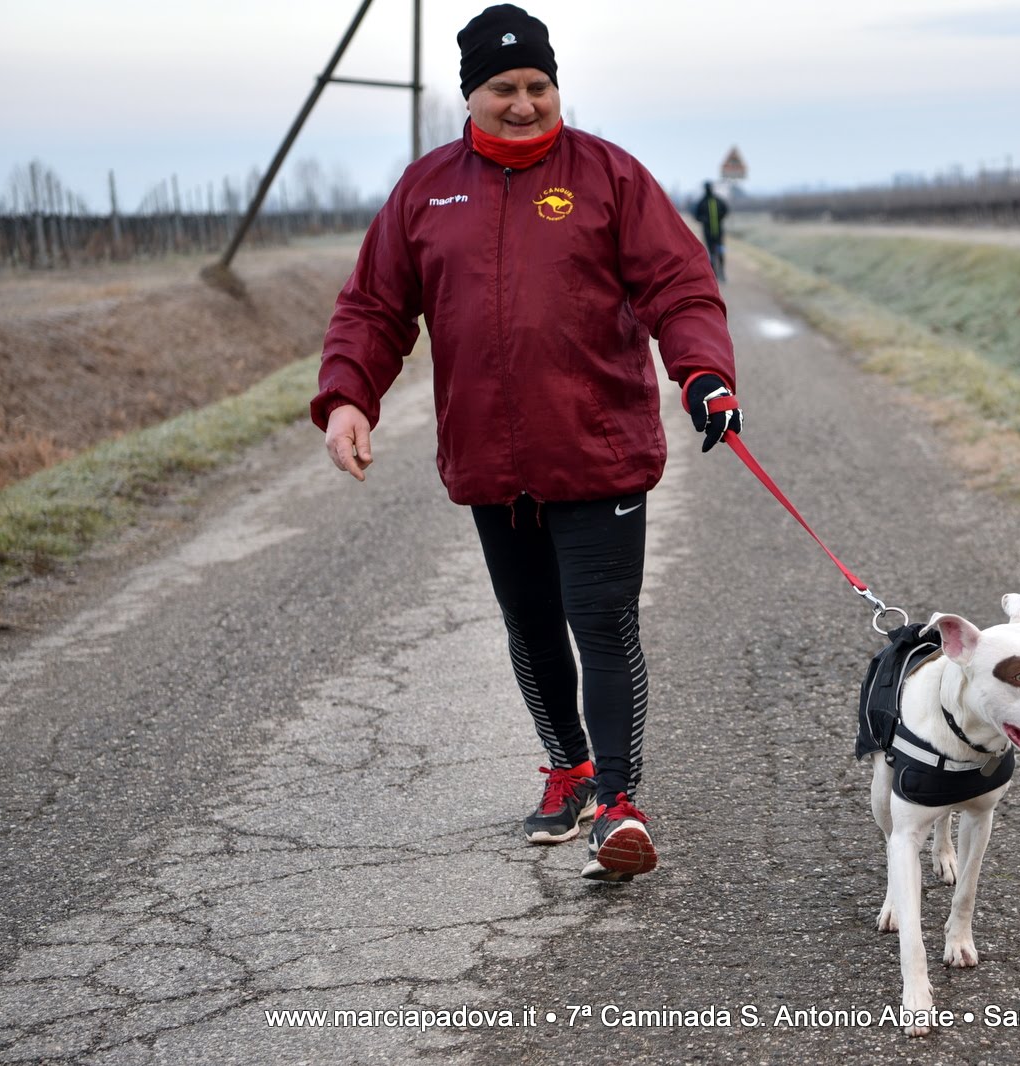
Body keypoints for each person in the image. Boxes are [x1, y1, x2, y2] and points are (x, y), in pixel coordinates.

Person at [310, 4, 742, 882]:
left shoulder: (609, 177)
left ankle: (619, 802)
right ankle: (569, 768)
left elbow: (681, 287)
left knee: (602, 620)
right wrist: (349, 397)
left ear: (557, 88)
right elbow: (374, 308)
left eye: (538, 85)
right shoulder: (427, 189)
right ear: (470, 95)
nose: (522, 103)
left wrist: (703, 374)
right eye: (502, 88)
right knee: (533, 625)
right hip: (490, 462)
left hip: (598, 449)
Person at [693, 180, 730, 282]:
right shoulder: (702, 202)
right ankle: (714, 274)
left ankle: (722, 272)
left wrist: (720, 217)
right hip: (708, 232)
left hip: (719, 232)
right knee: (711, 253)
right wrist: (703, 219)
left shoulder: (718, 200)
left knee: (720, 252)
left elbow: (726, 210)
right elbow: (696, 215)